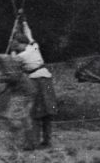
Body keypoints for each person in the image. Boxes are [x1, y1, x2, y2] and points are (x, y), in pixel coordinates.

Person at [11, 12, 58, 148]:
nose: (13, 45)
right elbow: (29, 34)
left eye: (15, 43)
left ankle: (34, 143)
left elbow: (13, 61)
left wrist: (12, 49)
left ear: (20, 43)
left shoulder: (21, 56)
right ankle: (47, 141)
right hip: (47, 80)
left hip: (37, 82)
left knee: (35, 112)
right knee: (48, 111)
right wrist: (23, 21)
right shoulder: (33, 47)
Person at [0, 48, 36, 151]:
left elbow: (14, 77)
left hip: (23, 90)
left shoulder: (5, 60)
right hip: (22, 90)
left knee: (11, 116)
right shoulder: (2, 60)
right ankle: (28, 143)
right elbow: (10, 74)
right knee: (22, 117)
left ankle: (16, 143)